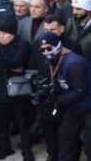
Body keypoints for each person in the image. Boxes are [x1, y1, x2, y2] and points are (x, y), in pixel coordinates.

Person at [0, 16, 34, 160]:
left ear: (13, 34)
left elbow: (18, 61)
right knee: (2, 123)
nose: (1, 36)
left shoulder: (22, 45)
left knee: (23, 122)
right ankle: (4, 148)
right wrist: (10, 66)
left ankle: (27, 151)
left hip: (19, 90)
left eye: (5, 33)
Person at [34, 32, 91, 160]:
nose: (46, 51)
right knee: (66, 142)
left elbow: (80, 90)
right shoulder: (54, 59)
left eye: (49, 48)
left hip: (86, 107)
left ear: (58, 46)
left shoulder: (74, 63)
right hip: (73, 108)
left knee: (88, 145)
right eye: (42, 49)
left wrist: (60, 100)